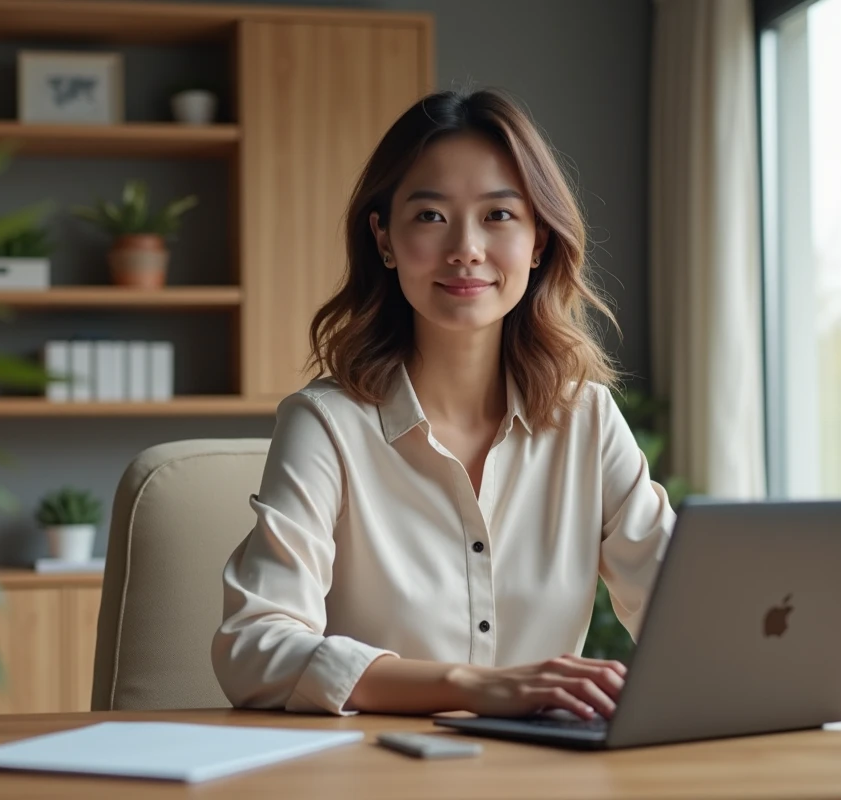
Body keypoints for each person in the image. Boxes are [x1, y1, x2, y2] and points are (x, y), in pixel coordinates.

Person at [211, 88, 675, 721]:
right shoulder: (326, 423)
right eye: (431, 216)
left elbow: (682, 614)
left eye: (499, 215)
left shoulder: (586, 419)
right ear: (384, 239)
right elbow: (254, 647)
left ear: (538, 240)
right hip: (376, 776)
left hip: (544, 778)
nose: (466, 249)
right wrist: (471, 686)